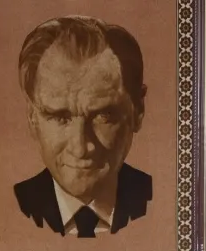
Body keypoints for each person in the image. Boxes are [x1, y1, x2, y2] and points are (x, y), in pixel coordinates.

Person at [14, 16, 152, 237]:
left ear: (138, 111)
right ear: (32, 118)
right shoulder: (7, 209)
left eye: (103, 115)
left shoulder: (170, 203)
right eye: (60, 117)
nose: (80, 148)